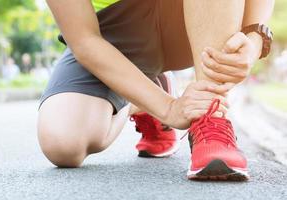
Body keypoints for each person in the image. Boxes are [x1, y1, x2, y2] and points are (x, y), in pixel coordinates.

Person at [38, 0, 274, 181]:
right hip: (111, 33)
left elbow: (255, 31)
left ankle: (210, 119)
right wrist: (168, 108)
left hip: (194, 16)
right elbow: (84, 39)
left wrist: (256, 35)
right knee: (63, 143)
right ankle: (145, 97)